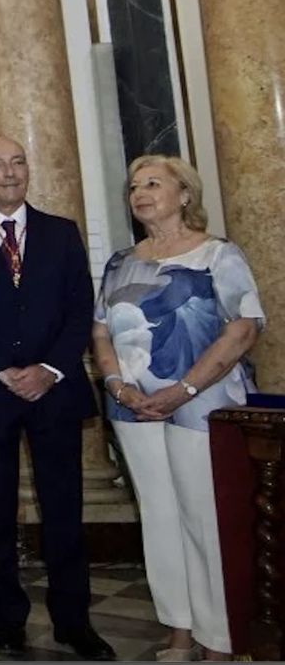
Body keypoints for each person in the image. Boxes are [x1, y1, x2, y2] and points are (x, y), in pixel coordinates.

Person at [93, 155, 262, 662]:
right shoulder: (122, 261)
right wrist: (118, 385)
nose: (140, 194)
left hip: (202, 406)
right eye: (133, 187)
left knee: (204, 517)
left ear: (185, 194)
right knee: (160, 518)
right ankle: (180, 630)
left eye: (153, 184)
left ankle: (220, 638)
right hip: (132, 407)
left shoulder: (218, 255)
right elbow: (101, 331)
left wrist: (184, 388)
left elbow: (244, 328)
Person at [0, 136, 115, 660]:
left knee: (64, 510)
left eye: (17, 162)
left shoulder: (61, 232)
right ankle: (8, 620)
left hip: (55, 391)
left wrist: (50, 369)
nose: (9, 173)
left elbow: (80, 310)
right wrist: (2, 369)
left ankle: (74, 621)